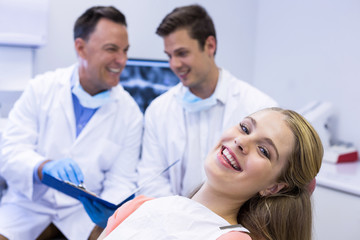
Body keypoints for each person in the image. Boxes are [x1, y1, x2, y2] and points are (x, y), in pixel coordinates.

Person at [0, 6, 143, 240]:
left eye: (125, 51)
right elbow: (9, 152)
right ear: (81, 48)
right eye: (112, 50)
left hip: (83, 214)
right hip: (27, 206)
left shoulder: (130, 113)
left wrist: (109, 209)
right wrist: (43, 167)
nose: (122, 60)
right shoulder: (41, 89)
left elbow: (122, 180)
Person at [98, 108, 323, 240]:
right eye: (245, 128)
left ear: (273, 187)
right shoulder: (138, 206)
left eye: (263, 151)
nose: (241, 142)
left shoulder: (230, 238)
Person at [137, 4, 278, 198]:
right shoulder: (158, 110)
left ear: (210, 46)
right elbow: (150, 179)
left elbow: (264, 183)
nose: (174, 65)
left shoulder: (259, 107)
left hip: (233, 223)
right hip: (172, 221)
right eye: (169, 56)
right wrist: (181, 218)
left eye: (182, 53)